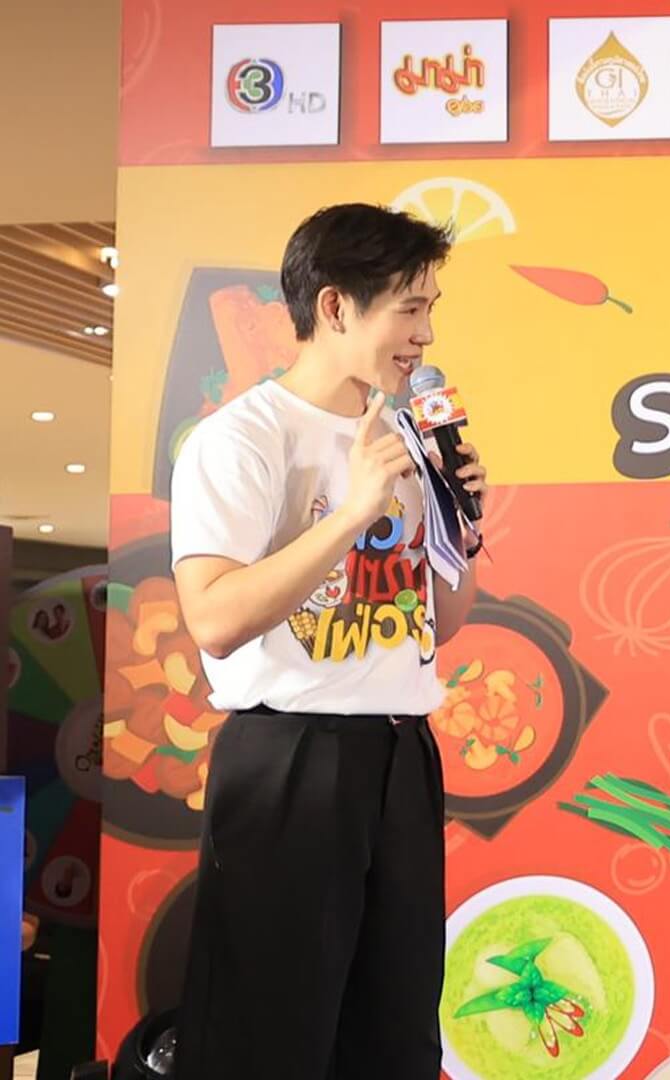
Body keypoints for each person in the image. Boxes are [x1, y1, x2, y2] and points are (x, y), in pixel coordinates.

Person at [169, 203, 489, 1079]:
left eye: (431, 309)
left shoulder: (409, 439)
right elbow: (214, 618)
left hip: (401, 756)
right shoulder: (240, 439)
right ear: (337, 307)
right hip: (292, 760)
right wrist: (350, 515)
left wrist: (463, 527)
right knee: (269, 1035)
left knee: (394, 1034)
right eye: (409, 309)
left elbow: (439, 625)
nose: (425, 335)